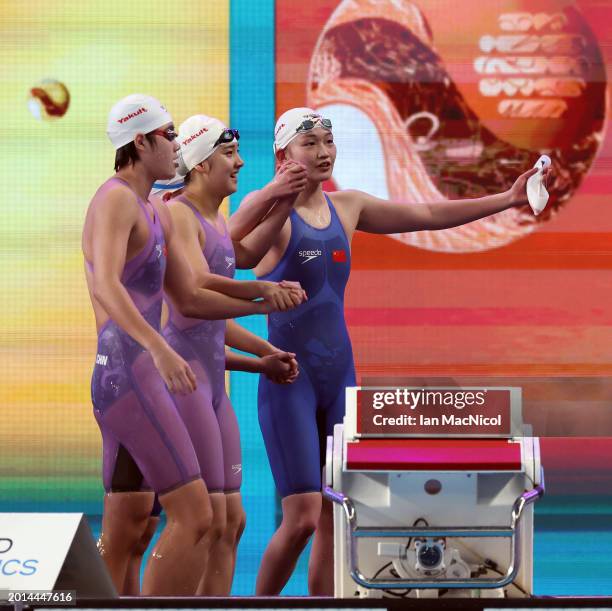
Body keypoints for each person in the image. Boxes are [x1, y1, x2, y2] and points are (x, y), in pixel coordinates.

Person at [229, 107, 551, 596]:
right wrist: (276, 195)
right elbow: (240, 255)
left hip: (341, 379)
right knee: (300, 521)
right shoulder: (274, 211)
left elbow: (427, 216)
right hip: (289, 383)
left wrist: (506, 199)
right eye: (309, 143)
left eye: (327, 141)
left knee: (337, 515)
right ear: (283, 155)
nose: (323, 152)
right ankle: (256, 610)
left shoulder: (349, 207)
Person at [82, 94, 305, 596]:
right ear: (139, 141)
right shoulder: (117, 197)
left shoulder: (150, 207)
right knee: (195, 517)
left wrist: (258, 301)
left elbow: (189, 290)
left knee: (131, 526)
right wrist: (158, 348)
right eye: (168, 135)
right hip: (131, 373)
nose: (174, 146)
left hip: (134, 372)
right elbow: (107, 286)